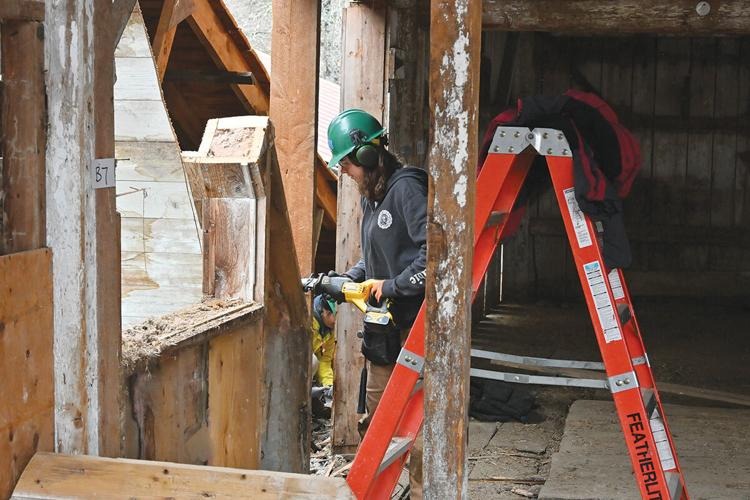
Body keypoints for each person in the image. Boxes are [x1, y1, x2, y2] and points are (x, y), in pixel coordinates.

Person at [327, 108, 427, 498]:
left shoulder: (407, 189)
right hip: (384, 328)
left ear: (368, 155)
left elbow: (434, 256)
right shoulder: (373, 196)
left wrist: (392, 285)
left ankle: (422, 493)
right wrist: (350, 278)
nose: (346, 174)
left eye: (348, 165)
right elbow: (374, 256)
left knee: (417, 420)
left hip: (415, 325)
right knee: (376, 418)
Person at [311, 293, 337, 387]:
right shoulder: (309, 320)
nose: (336, 322)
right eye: (336, 317)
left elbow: (324, 360)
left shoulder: (329, 331)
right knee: (312, 361)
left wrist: (328, 385)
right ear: (326, 313)